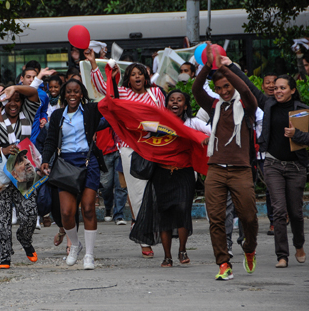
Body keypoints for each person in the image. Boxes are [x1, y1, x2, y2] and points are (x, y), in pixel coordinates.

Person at [225, 59, 309, 268]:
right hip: (273, 164)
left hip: (296, 166)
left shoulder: (302, 110)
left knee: (295, 212)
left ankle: (299, 244)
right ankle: (282, 255)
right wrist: (230, 65)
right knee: (278, 211)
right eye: (275, 87)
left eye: (282, 88)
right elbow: (247, 86)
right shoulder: (268, 105)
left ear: (292, 90)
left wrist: (298, 135)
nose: (277, 91)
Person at [87, 48, 165, 258]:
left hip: (155, 147)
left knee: (157, 192)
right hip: (130, 148)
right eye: (133, 74)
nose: (137, 77)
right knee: (137, 194)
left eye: (140, 73)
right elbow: (104, 88)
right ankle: (143, 238)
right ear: (128, 80)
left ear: (146, 76)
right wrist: (94, 65)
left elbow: (165, 118)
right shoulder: (122, 93)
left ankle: (146, 226)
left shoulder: (156, 93)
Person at [192, 43, 259, 281]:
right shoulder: (213, 106)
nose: (223, 91)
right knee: (217, 219)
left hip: (241, 170)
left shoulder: (247, 106)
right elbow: (196, 88)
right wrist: (208, 67)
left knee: (249, 217)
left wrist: (226, 69)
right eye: (219, 88)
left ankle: (249, 249)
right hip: (216, 170)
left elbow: (247, 91)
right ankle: (223, 263)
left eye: (227, 87)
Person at [41, 79, 105, 270]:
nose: (72, 95)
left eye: (76, 92)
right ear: (64, 94)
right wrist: (45, 159)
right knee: (67, 213)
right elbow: (51, 140)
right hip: (65, 164)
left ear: (82, 94)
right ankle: (75, 244)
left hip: (88, 162)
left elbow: (111, 102)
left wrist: (106, 74)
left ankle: (90, 255)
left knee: (87, 208)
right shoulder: (58, 115)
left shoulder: (91, 111)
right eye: (68, 92)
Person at [0, 84, 40, 269]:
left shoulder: (27, 114)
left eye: (17, 100)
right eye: (9, 100)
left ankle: (24, 239)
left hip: (23, 169)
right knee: (1, 220)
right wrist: (2, 149)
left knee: (30, 214)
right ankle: (5, 256)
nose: (13, 104)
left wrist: (13, 88)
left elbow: (34, 93)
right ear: (2, 102)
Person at [155, 90, 211, 267]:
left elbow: (213, 133)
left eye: (179, 100)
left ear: (185, 106)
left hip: (184, 174)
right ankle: (167, 256)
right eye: (171, 99)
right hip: (162, 174)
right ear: (166, 104)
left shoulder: (193, 122)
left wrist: (203, 139)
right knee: (164, 215)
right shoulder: (158, 123)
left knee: (182, 210)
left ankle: (182, 249)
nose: (175, 102)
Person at [21, 61, 49, 144]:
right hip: (19, 138)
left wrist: (44, 118)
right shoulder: (16, 93)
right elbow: (29, 93)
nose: (31, 80)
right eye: (28, 77)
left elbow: (43, 112)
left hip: (36, 139)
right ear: (22, 78)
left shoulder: (43, 95)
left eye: (34, 77)